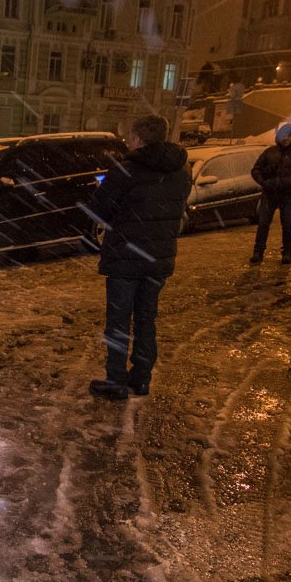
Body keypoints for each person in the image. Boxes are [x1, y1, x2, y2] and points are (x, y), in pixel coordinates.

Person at [88, 115, 191, 400]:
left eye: (130, 137)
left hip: (125, 256)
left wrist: (103, 193)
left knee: (119, 321)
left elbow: (100, 210)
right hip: (158, 257)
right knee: (147, 319)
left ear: (137, 138)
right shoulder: (181, 169)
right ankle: (142, 379)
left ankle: (116, 381)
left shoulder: (126, 170)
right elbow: (179, 206)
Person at [248, 123, 291, 265]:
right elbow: (256, 169)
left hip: (289, 193)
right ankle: (258, 252)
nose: (286, 139)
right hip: (270, 192)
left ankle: (287, 252)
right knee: (263, 223)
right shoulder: (270, 152)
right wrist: (265, 182)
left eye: (289, 136)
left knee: (287, 224)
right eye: (283, 136)